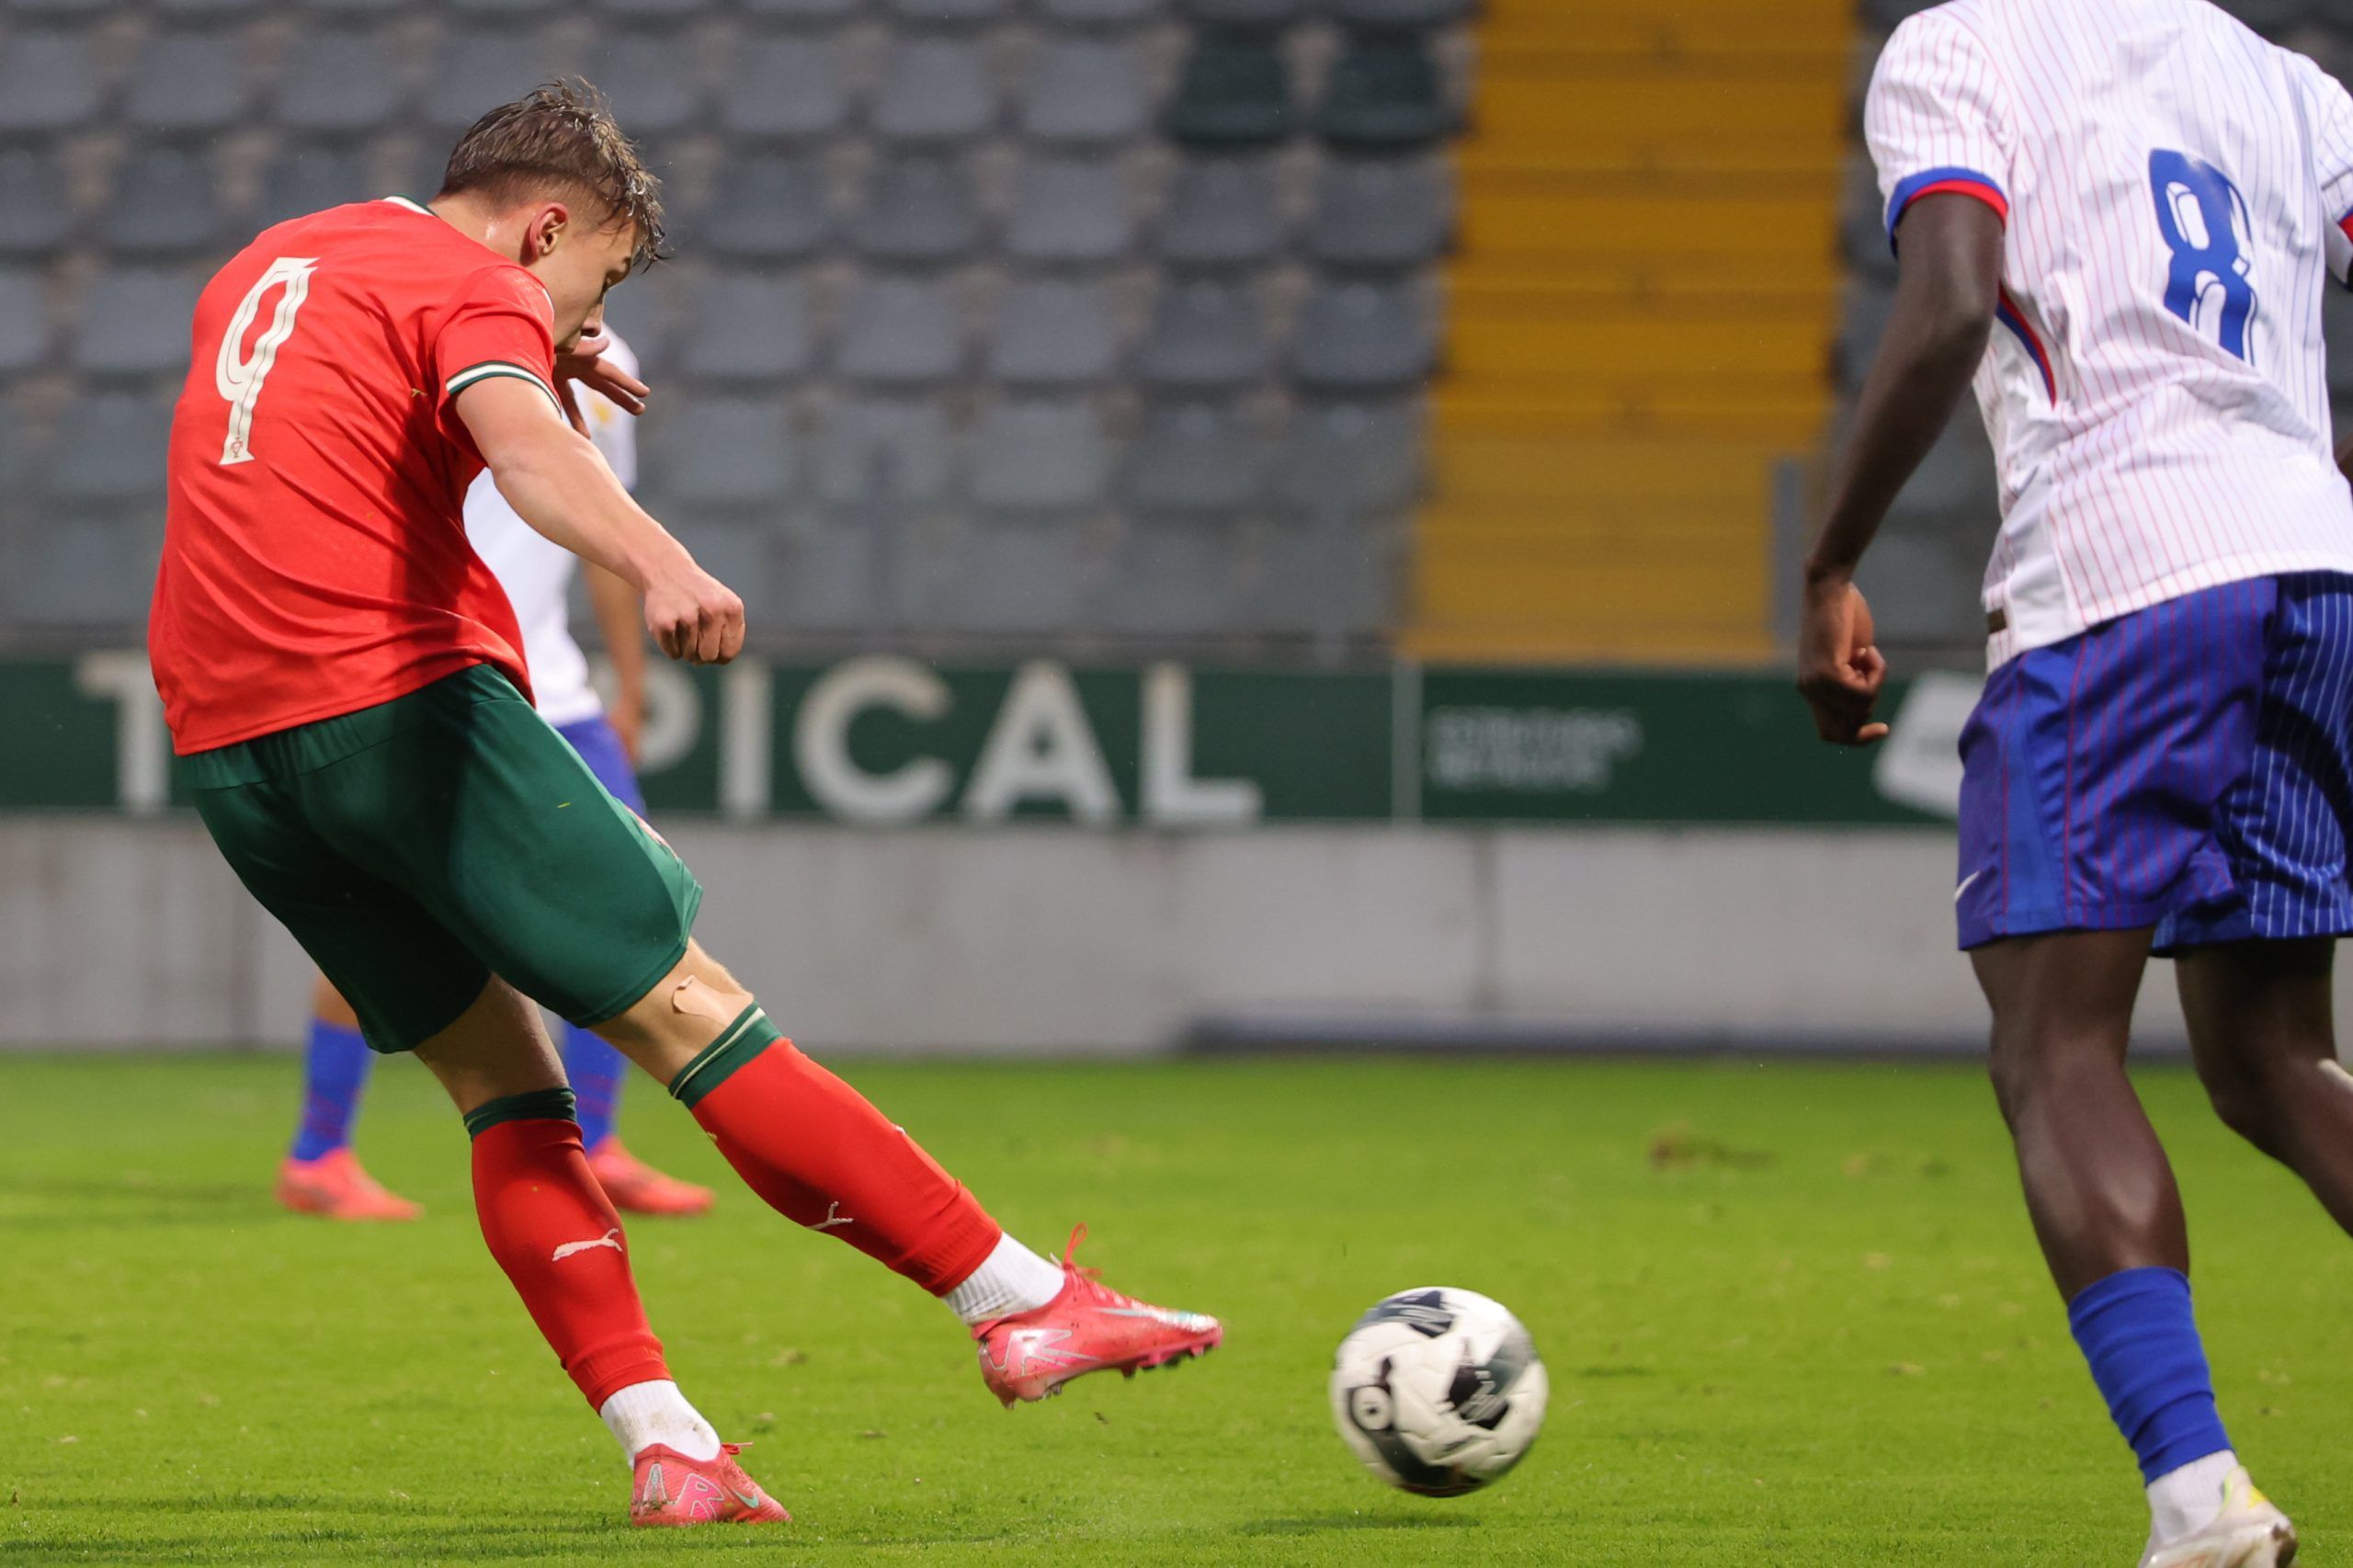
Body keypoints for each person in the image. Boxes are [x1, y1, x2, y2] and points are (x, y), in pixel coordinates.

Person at [151, 82, 1221, 1528]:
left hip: (235, 748)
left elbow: (327, 421)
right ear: (546, 228)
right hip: (398, 700)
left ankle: (671, 1444)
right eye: (594, 283)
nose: (585, 317)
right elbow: (530, 450)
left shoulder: (278, 256)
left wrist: (541, 337)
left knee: (503, 1091)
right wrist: (662, 560)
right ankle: (1021, 1301)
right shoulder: (478, 288)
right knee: (693, 1013)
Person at [1802, 3, 2353, 1563]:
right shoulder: (2289, 85)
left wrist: (1828, 561)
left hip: (2121, 578)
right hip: (2313, 572)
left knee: (2054, 1047)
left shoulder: (1960, 49)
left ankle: (2199, 1500)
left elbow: (1951, 301)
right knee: (2274, 1061)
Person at [277, 327, 714, 1224]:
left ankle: (598, 1143)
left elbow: (605, 531)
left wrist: (630, 687)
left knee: (632, 904)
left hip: (557, 689)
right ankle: (318, 1152)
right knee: (388, 918)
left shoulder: (614, 367)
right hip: (439, 678)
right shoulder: (432, 336)